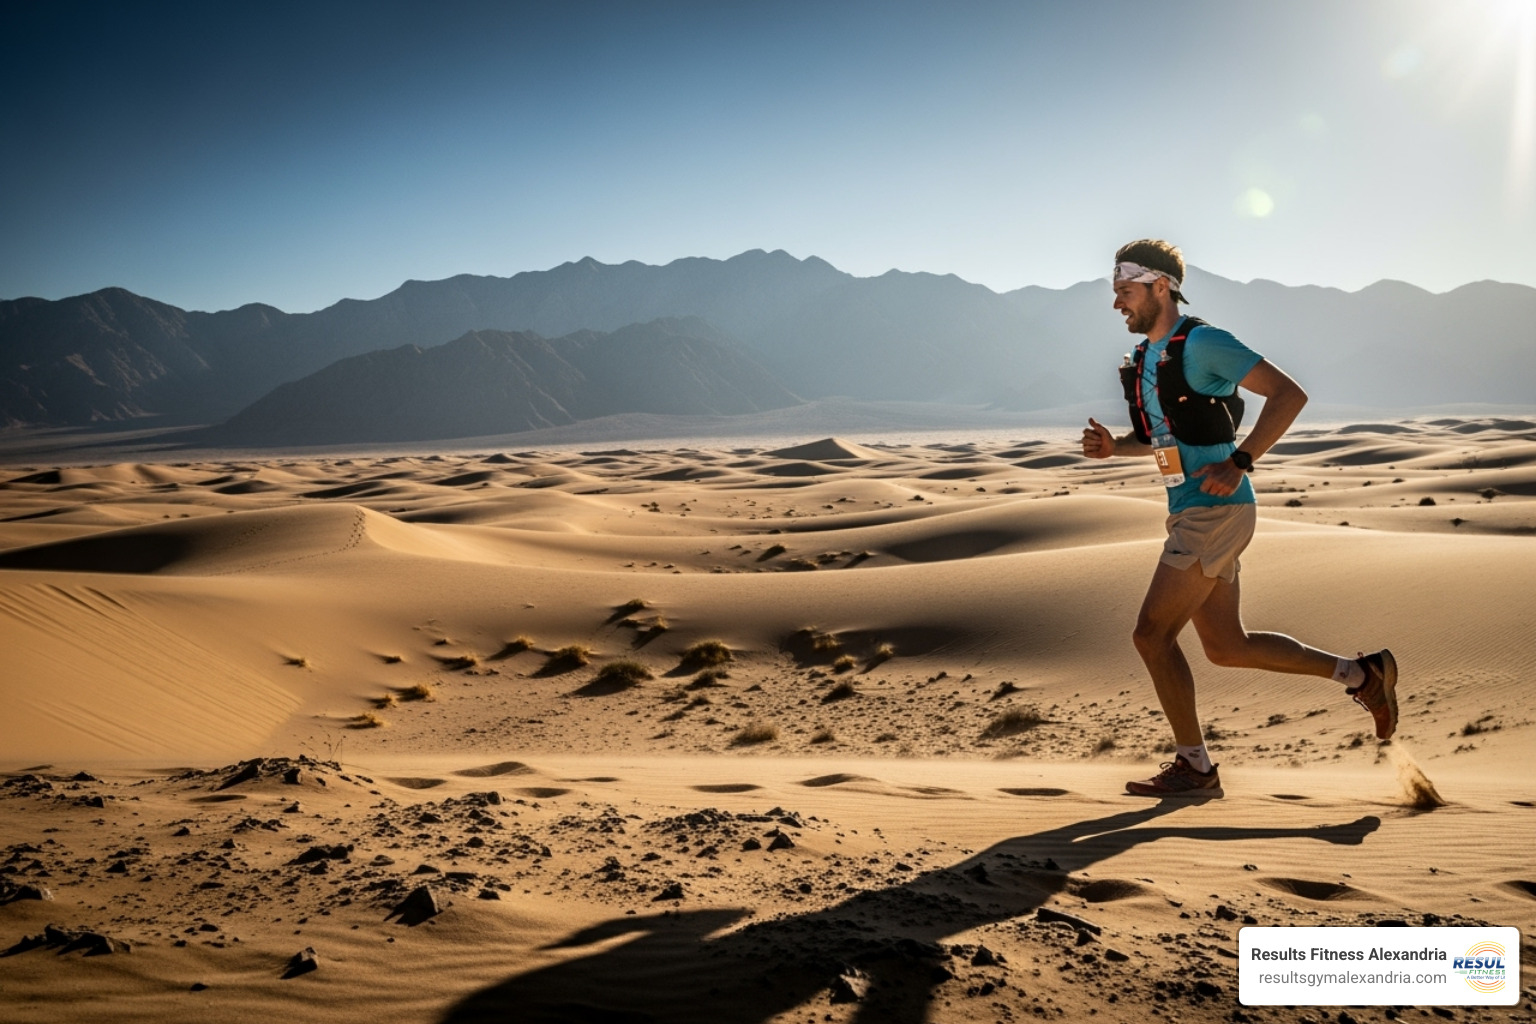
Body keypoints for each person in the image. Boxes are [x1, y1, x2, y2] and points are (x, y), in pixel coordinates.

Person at [1081, 239, 1397, 797]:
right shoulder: (1146, 361)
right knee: (1228, 647)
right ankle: (1361, 674)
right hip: (1193, 510)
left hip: (1215, 511)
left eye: (1124, 292)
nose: (1116, 305)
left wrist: (1241, 461)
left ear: (1160, 286)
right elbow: (1166, 439)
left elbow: (1289, 394)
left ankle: (1195, 768)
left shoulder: (1203, 343)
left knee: (1151, 636)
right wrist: (1116, 448)